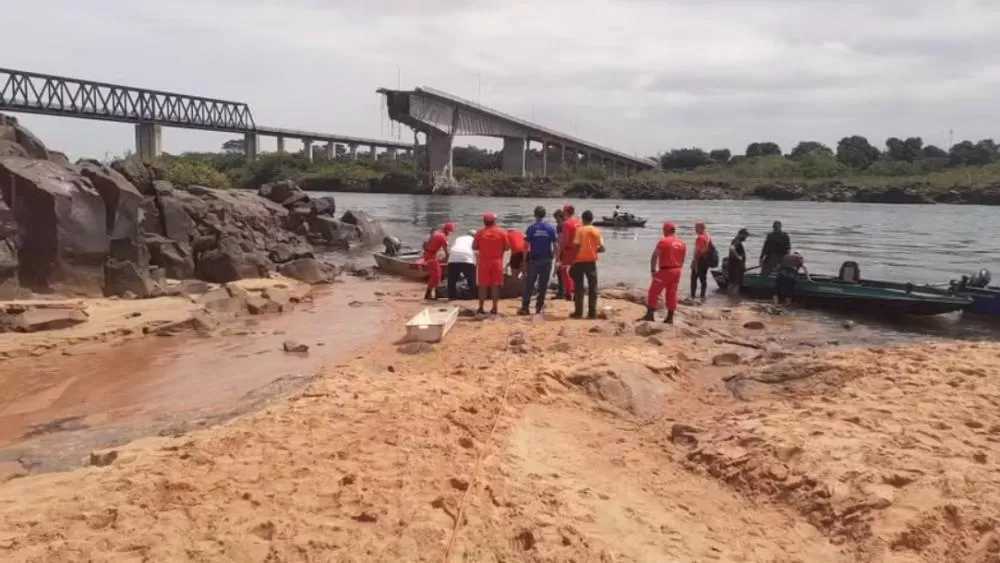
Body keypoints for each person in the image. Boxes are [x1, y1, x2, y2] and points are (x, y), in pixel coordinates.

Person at [641, 222, 687, 324]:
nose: (663, 232)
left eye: (663, 230)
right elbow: (683, 259)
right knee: (672, 293)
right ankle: (670, 317)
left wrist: (653, 270)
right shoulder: (682, 243)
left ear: (666, 230)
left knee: (653, 292)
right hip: (677, 270)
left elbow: (654, 256)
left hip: (665, 270)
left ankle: (650, 315)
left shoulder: (663, 241)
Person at [518, 206, 558, 316]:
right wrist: (554, 257)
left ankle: (525, 307)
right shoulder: (550, 228)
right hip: (546, 260)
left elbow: (526, 246)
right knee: (543, 285)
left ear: (534, 214)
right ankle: (539, 308)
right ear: (544, 215)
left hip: (534, 260)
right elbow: (556, 245)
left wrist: (524, 260)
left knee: (529, 284)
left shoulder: (531, 228)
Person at [569, 210, 605, 319]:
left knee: (579, 287)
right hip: (591, 262)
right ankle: (592, 313)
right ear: (592, 219)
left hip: (579, 261)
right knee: (592, 287)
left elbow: (576, 245)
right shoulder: (596, 231)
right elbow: (602, 248)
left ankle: (578, 312)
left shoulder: (580, 230)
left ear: (583, 219)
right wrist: (593, 250)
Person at [473, 212, 509, 315]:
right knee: (495, 285)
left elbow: (474, 246)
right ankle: (494, 308)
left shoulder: (480, 233)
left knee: (482, 285)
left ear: (484, 222)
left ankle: (481, 307)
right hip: (497, 261)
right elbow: (507, 247)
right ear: (495, 221)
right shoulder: (502, 232)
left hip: (484, 262)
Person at [422, 221, 454, 300]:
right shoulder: (442, 237)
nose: (449, 234)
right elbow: (447, 252)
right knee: (435, 275)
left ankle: (436, 294)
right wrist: (448, 261)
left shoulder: (437, 232)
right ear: (447, 230)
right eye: (450, 232)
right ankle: (428, 294)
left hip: (429, 254)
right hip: (431, 255)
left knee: (438, 274)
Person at [559, 204, 581, 301]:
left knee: (564, 271)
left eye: (563, 211)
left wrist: (559, 249)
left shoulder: (566, 224)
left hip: (568, 250)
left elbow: (565, 239)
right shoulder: (579, 222)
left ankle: (568, 292)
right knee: (576, 272)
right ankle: (576, 291)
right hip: (578, 250)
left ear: (566, 212)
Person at [447, 230, 477, 300]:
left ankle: (451, 296)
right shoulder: (474, 239)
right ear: (474, 236)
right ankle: (472, 295)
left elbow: (453, 247)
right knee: (471, 278)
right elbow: (476, 252)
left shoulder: (459, 238)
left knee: (452, 279)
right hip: (466, 258)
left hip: (453, 257)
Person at [690, 221, 712, 300]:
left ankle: (692, 296)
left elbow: (699, 251)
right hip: (705, 261)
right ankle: (703, 296)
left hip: (699, 260)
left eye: (696, 228)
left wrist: (695, 261)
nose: (695, 229)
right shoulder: (708, 236)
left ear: (701, 227)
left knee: (693, 279)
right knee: (703, 279)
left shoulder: (700, 237)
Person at [727, 228, 750, 297]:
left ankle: (730, 298)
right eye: (745, 236)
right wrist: (738, 257)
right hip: (735, 266)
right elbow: (732, 248)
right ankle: (734, 299)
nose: (746, 238)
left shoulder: (736, 241)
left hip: (734, 265)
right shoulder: (736, 240)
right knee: (736, 284)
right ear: (741, 234)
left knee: (732, 283)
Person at [553, 209, 566, 298]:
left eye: (556, 218)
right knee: (564, 272)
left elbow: (559, 241)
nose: (556, 220)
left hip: (562, 251)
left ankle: (561, 292)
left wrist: (555, 252)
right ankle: (565, 290)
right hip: (566, 250)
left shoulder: (560, 226)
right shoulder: (566, 224)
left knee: (559, 271)